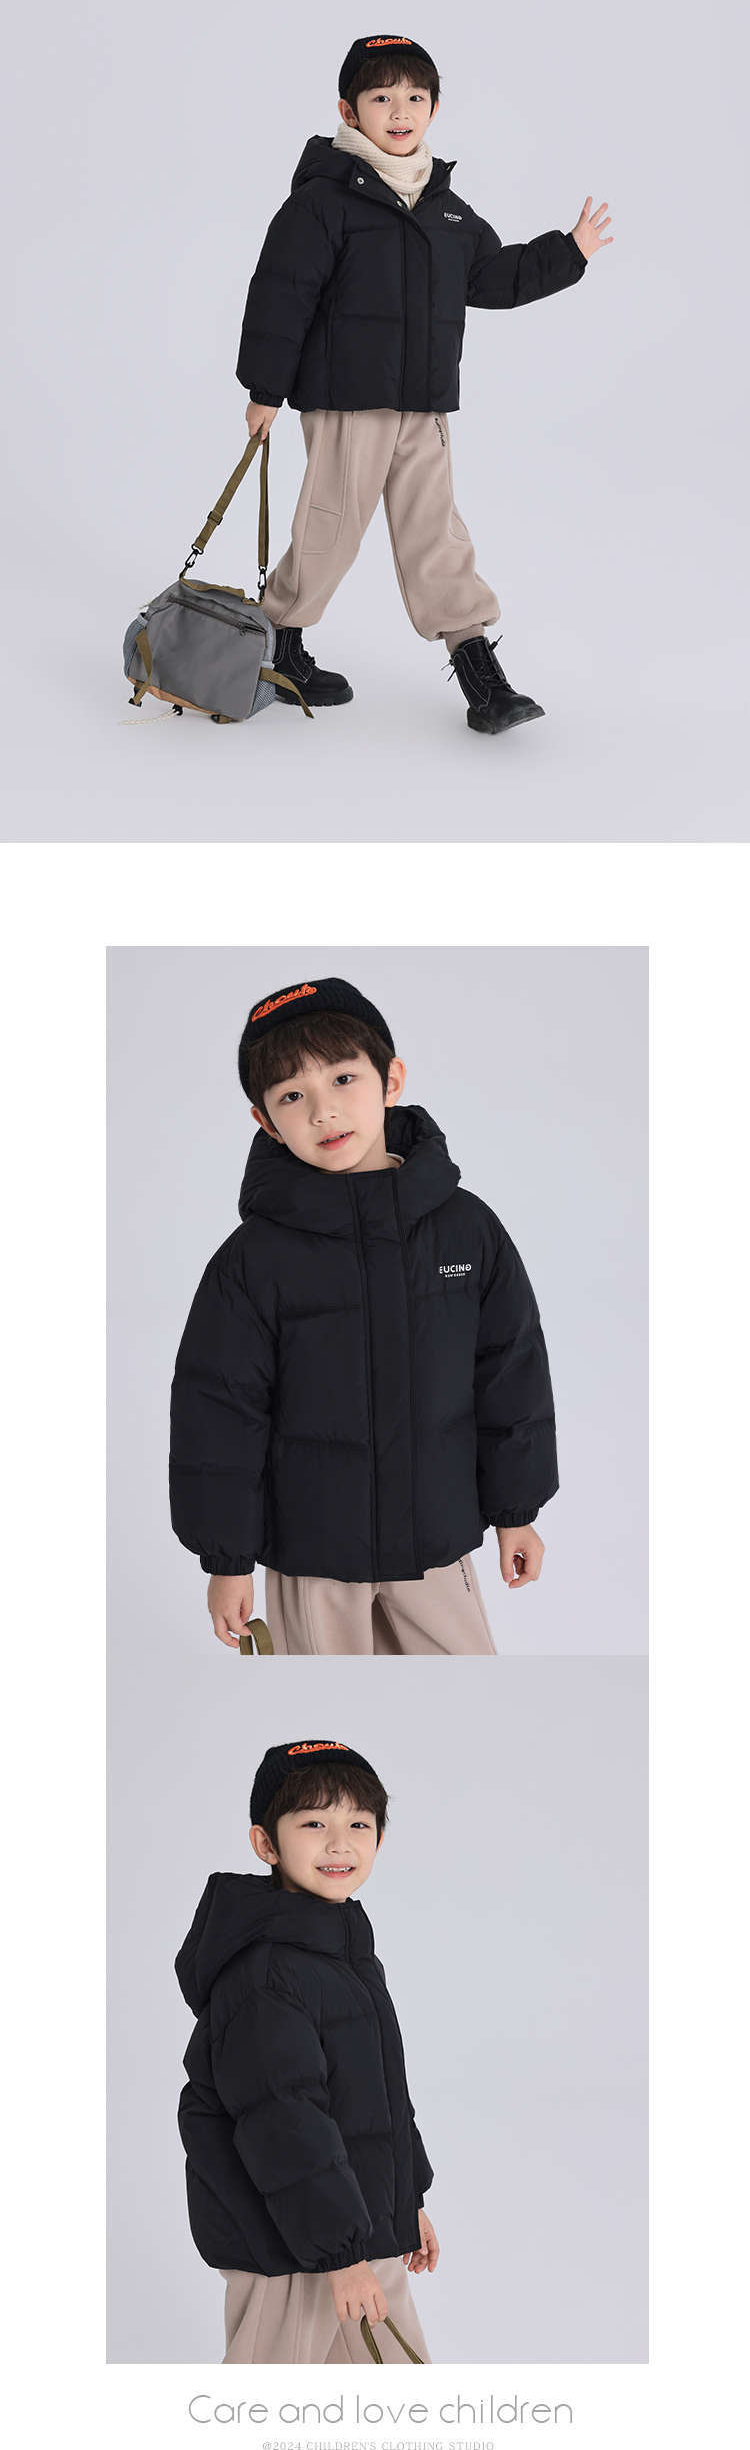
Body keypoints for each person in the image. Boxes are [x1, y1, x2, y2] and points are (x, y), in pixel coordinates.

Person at [233, 20, 612, 730]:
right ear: (349, 112)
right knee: (330, 531)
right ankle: (278, 645)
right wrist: (265, 390)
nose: (399, 112)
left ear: (435, 108)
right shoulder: (323, 201)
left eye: (414, 97)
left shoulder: (445, 209)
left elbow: (493, 277)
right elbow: (282, 295)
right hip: (348, 402)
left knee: (436, 533)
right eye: (381, 99)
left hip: (423, 406)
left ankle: (481, 677)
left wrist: (569, 252)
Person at [169, 963, 559, 1650]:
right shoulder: (253, 1260)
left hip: (437, 1543)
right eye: (293, 1095)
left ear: (391, 1080)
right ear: (266, 1121)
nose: (323, 1111)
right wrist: (227, 1560)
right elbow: (219, 1412)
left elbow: (510, 1374)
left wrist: (515, 1510)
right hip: (313, 1555)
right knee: (323, 1691)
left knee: (464, 1694)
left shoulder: (466, 1229)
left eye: (343, 1078)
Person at [176, 1743, 438, 2369]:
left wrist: (408, 2202)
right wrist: (340, 2253)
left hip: (352, 2234)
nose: (339, 1843)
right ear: (265, 1843)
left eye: (359, 1824)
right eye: (314, 1823)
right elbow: (283, 2119)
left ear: (380, 1839)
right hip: (292, 2251)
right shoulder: (266, 1973)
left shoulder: (343, 1954)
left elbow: (377, 2094)